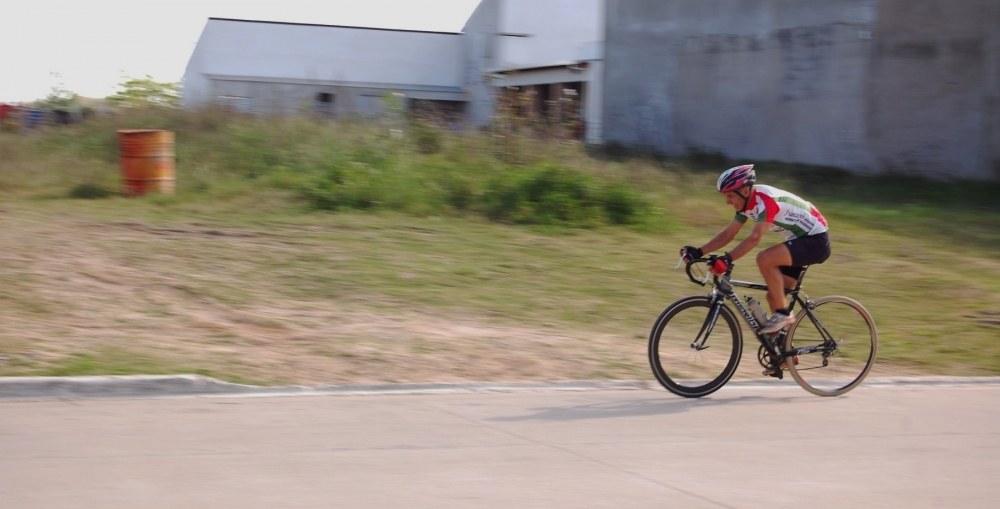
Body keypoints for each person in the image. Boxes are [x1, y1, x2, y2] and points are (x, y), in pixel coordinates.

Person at [681, 164, 831, 334]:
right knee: (774, 296)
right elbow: (728, 234)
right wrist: (699, 252)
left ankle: (784, 315)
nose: (727, 201)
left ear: (745, 191)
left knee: (765, 258)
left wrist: (727, 259)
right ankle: (783, 354)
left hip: (816, 241)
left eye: (730, 196)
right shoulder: (745, 205)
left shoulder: (767, 201)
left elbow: (754, 238)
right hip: (798, 240)